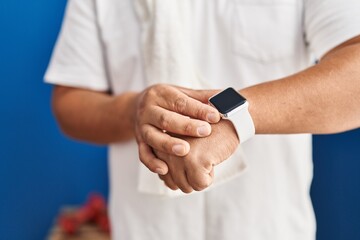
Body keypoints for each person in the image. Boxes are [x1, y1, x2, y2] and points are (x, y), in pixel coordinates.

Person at [45, 0, 360, 239]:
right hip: (144, 229)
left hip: (268, 226)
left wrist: (235, 119)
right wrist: (137, 111)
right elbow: (70, 101)